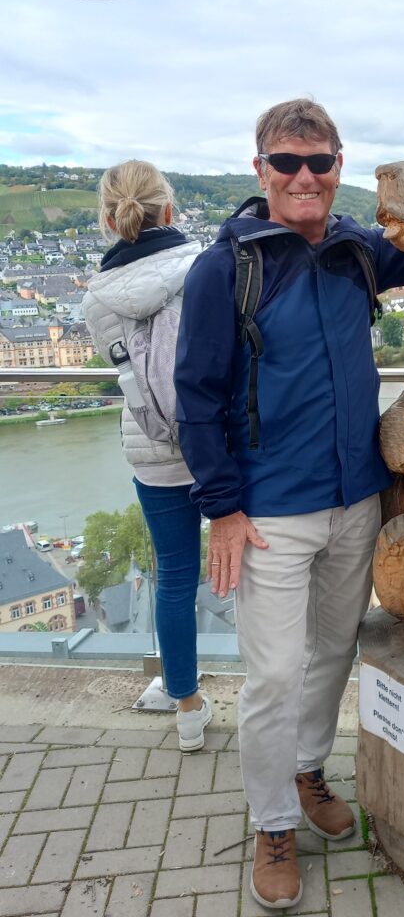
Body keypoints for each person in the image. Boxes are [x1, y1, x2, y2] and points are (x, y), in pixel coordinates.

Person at [173, 98, 404, 909]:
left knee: (333, 653)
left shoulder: (356, 251)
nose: (305, 177)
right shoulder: (228, 267)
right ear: (262, 171)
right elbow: (195, 394)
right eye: (287, 163)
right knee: (275, 675)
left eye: (319, 162)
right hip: (270, 510)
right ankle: (273, 820)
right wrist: (223, 506)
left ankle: (309, 770)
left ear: (339, 165)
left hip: (356, 496)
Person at [83, 160, 212, 753]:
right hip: (223, 448)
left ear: (109, 219)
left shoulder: (96, 297)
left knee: (174, 579)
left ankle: (185, 704)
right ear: (172, 210)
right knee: (262, 572)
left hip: (154, 451)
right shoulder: (207, 266)